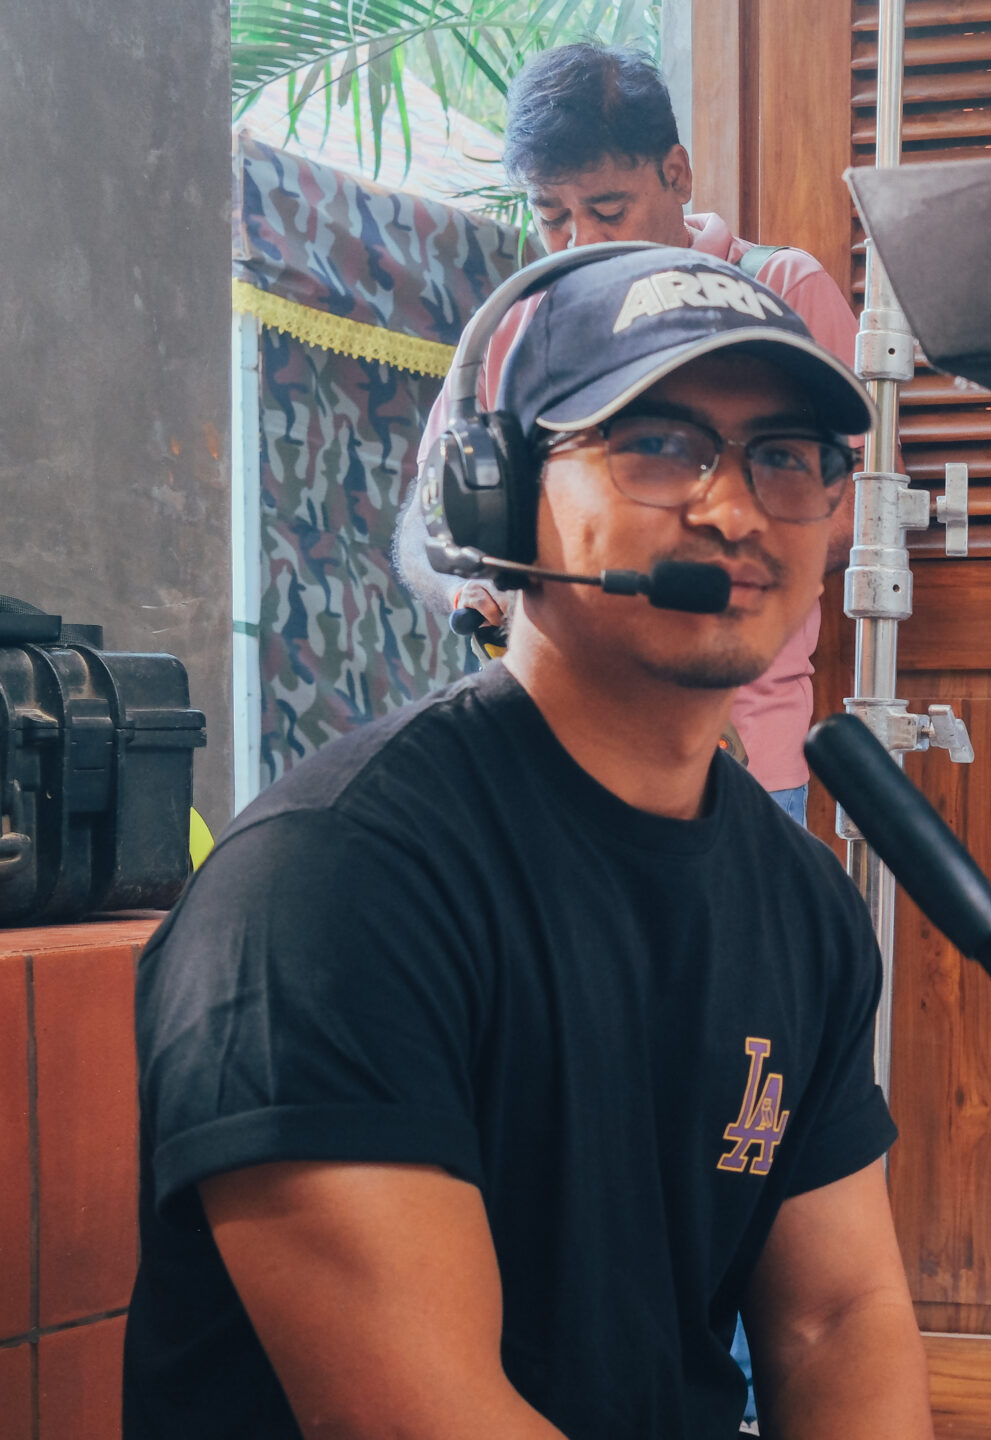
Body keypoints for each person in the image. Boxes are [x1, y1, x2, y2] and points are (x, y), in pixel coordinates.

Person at [125, 248, 933, 1439]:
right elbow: (426, 1419)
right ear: (495, 497)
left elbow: (837, 1317)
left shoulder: (800, 901)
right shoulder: (328, 886)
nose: (733, 511)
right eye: (658, 443)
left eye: (784, 456)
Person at [396, 40, 856, 826]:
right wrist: (467, 585)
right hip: (550, 753)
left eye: (608, 210)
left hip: (743, 757)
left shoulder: (780, 290)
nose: (581, 241)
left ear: (677, 174)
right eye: (552, 216)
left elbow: (858, 512)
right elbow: (428, 518)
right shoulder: (516, 326)